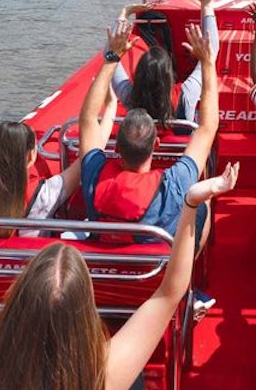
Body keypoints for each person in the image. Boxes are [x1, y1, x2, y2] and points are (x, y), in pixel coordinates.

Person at [0, 126, 237, 390]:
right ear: (86, 309)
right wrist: (191, 204)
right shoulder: (101, 381)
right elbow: (170, 292)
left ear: (20, 301)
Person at [81, 21, 221, 241]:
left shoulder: (94, 175)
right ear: (155, 145)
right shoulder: (174, 182)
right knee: (201, 204)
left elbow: (88, 119)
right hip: (159, 270)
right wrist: (207, 62)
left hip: (103, 258)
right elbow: (208, 126)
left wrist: (112, 54)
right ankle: (192, 270)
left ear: (117, 146)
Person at [113, 0, 218, 126]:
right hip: (182, 147)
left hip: (147, 146)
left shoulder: (129, 96)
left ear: (138, 75)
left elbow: (110, 57)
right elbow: (212, 51)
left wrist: (124, 13)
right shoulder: (185, 94)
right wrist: (206, 5)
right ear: (169, 75)